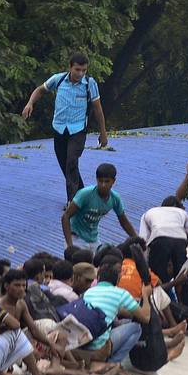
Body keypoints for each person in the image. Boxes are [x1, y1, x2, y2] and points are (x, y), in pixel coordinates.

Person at [22, 52, 108, 200]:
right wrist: (30, 103)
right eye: (77, 70)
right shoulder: (58, 79)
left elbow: (97, 109)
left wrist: (103, 132)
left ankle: (72, 202)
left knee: (72, 161)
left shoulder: (89, 84)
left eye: (83, 70)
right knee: (66, 165)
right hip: (59, 128)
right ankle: (83, 194)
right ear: (70, 67)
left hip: (78, 129)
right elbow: (40, 90)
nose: (80, 73)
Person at [62, 164, 138, 250]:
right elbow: (65, 216)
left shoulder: (115, 198)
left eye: (107, 181)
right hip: (76, 238)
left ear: (113, 181)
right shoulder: (85, 194)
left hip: (93, 239)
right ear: (96, 180)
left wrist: (137, 240)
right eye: (100, 181)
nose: (103, 185)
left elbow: (124, 222)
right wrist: (70, 245)